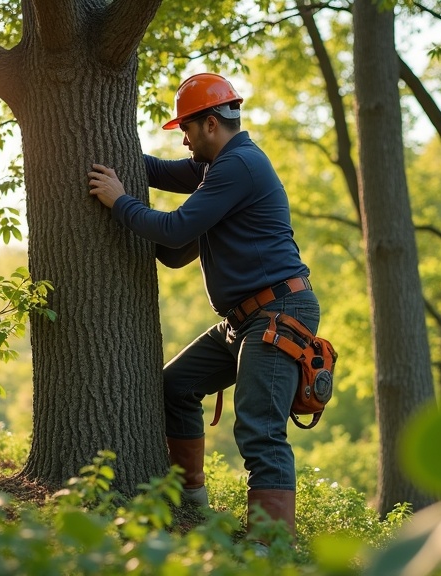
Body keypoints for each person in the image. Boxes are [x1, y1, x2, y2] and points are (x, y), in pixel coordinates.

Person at [87, 72, 319, 543]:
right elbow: (155, 169)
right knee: (176, 386)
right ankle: (192, 504)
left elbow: (174, 233)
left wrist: (119, 202)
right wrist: (108, 153)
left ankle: (272, 548)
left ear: (211, 123)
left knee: (259, 429)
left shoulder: (239, 167)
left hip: (277, 313)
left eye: (188, 130)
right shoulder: (215, 168)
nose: (185, 141)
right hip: (243, 320)